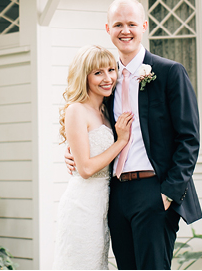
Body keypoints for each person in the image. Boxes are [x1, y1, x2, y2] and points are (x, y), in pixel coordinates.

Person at [66, 0, 202, 270]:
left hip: (154, 191)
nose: (125, 30)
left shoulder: (169, 72)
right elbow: (94, 124)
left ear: (144, 26)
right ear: (108, 29)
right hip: (115, 194)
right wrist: (75, 151)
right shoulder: (107, 80)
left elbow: (189, 139)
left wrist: (168, 194)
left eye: (131, 24)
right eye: (118, 24)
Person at [53, 45, 134, 270]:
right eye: (98, 73)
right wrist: (120, 142)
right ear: (84, 76)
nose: (108, 78)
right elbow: (86, 169)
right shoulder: (76, 110)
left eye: (111, 70)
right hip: (83, 205)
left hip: (104, 204)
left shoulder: (107, 109)